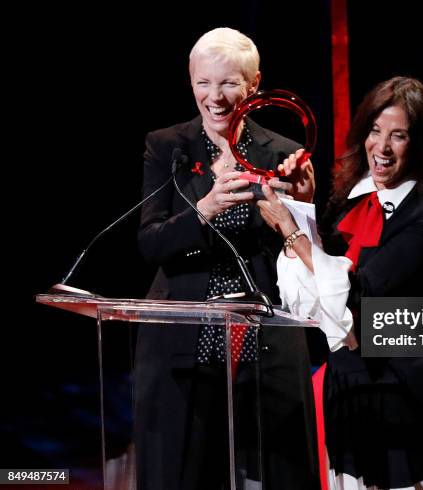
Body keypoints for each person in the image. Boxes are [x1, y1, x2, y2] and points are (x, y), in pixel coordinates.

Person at [257, 77, 423, 489]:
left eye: (397, 136)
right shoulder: (351, 196)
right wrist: (304, 207)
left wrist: (291, 230)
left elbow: (362, 296)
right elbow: (319, 269)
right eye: (375, 131)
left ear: (418, 143)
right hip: (349, 383)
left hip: (405, 388)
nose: (381, 148)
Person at [135, 27, 319, 490]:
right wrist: (204, 210)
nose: (214, 97)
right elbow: (150, 244)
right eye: (203, 82)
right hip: (183, 343)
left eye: (228, 83)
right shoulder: (168, 146)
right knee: (183, 471)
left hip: (266, 340)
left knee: (281, 473)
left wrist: (304, 206)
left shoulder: (282, 154)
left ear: (254, 84)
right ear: (191, 81)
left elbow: (317, 255)